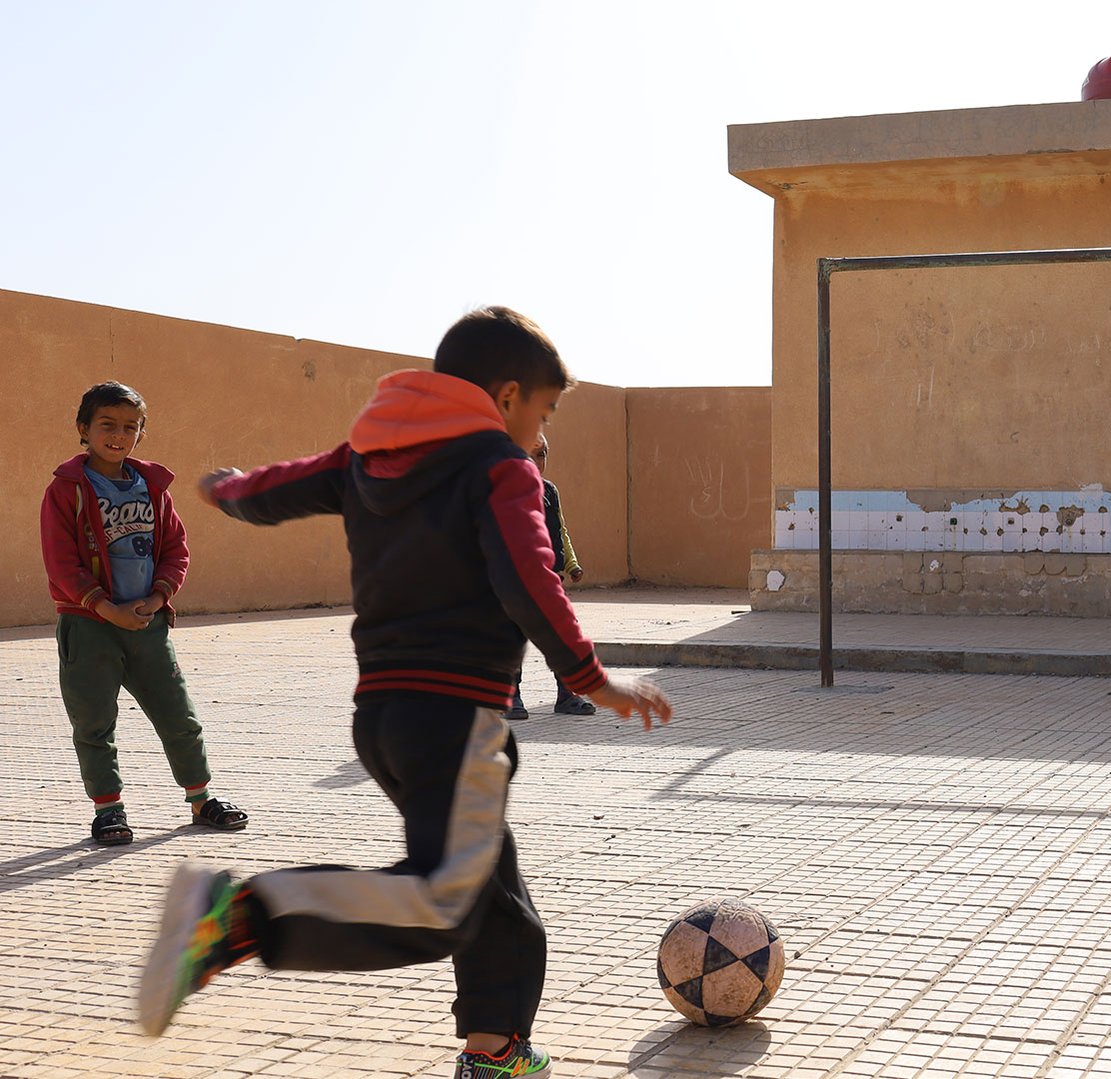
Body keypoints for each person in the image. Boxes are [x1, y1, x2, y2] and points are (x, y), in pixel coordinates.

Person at [136, 307, 671, 1079]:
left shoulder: (372, 456)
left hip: (384, 716)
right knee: (445, 897)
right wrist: (592, 678)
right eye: (543, 414)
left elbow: (283, 486)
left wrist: (231, 491)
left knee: (493, 894)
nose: (540, 435)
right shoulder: (498, 465)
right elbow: (528, 576)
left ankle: (497, 1050)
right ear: (509, 392)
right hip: (456, 717)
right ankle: (239, 918)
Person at [40, 381, 250, 847]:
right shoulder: (67, 489)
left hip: (147, 625)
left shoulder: (153, 488)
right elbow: (61, 561)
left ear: (141, 433)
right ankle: (108, 811)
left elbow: (176, 549)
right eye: (107, 425)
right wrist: (103, 607)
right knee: (94, 724)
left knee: (179, 715)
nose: (118, 434)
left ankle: (201, 800)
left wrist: (158, 599)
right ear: (83, 429)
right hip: (90, 625)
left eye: (130, 426)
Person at [507, 433, 593, 719]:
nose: (535, 461)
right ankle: (511, 697)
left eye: (541, 454)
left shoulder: (549, 492)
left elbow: (561, 532)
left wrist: (571, 563)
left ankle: (567, 695)